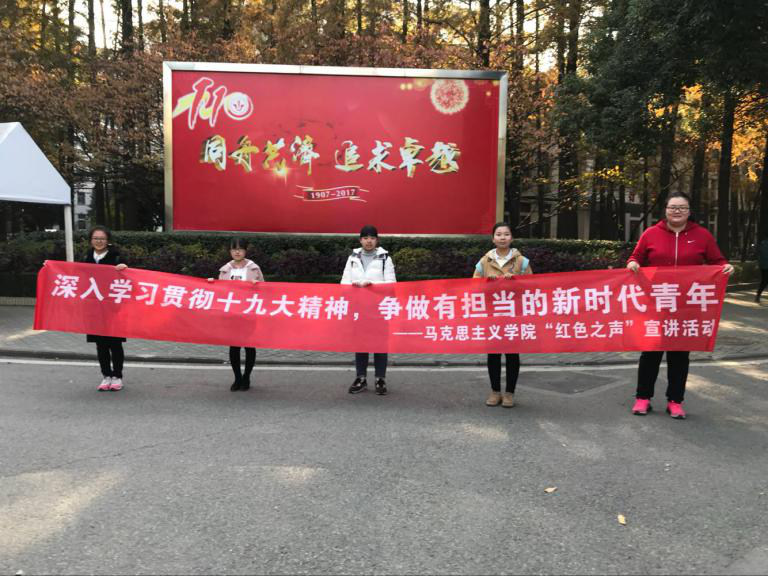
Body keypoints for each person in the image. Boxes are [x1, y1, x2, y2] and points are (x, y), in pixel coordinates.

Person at [627, 191, 734, 419]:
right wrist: (633, 263)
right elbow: (635, 257)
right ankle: (643, 397)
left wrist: (726, 267)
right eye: (672, 207)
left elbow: (718, 261)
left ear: (689, 211)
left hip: (686, 306)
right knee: (650, 353)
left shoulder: (702, 235)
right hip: (656, 303)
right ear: (665, 210)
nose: (677, 211)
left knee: (679, 355)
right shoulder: (650, 233)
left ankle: (675, 401)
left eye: (682, 207)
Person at [473, 222, 532, 408]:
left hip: (514, 314)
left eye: (506, 234)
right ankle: (495, 391)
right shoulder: (485, 261)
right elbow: (474, 285)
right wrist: (486, 283)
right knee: (493, 354)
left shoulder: (522, 261)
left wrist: (515, 281)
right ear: (493, 239)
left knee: (512, 354)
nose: (502, 237)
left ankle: (509, 393)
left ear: (511, 238)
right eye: (498, 234)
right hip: (492, 314)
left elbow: (532, 286)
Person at [341, 225, 396, 395]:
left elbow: (391, 285)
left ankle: (380, 379)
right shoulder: (352, 258)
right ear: (360, 240)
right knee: (361, 344)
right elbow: (344, 283)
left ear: (377, 240)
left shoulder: (385, 258)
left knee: (380, 345)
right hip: (359, 309)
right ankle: (361, 378)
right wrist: (354, 285)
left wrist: (372, 285)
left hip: (379, 309)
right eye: (365, 238)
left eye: (372, 238)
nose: (369, 241)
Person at [210, 237, 264, 391]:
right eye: (234, 249)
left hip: (248, 312)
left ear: (245, 251)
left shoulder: (254, 268)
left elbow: (264, 289)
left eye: (240, 249)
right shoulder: (225, 270)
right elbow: (220, 291)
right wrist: (211, 283)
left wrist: (258, 286)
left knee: (249, 346)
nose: (237, 252)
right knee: (234, 346)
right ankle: (237, 378)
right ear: (230, 251)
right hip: (232, 314)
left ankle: (246, 377)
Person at [85, 225, 128, 392]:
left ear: (107, 240)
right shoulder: (87, 256)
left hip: (113, 307)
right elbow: (75, 274)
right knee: (100, 344)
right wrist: (50, 265)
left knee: (115, 343)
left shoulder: (116, 256)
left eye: (102, 238)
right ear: (91, 240)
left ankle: (117, 376)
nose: (99, 241)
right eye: (95, 238)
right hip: (94, 307)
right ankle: (106, 376)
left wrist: (124, 268)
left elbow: (130, 275)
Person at [756, 238, 768, 304]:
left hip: (763, 265)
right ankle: (758, 296)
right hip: (765, 265)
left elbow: (758, 253)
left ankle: (758, 295)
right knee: (764, 281)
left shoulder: (762, 243)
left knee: (764, 281)